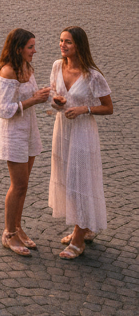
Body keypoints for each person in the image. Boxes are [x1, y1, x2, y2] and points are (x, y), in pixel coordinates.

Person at [48, 27, 113, 259]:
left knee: (81, 182)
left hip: (83, 133)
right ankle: (84, 226)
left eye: (68, 42)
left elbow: (108, 107)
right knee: (67, 180)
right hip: (62, 130)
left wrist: (84, 109)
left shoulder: (92, 75)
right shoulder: (57, 66)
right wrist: (56, 101)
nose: (62, 45)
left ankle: (78, 239)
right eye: (61, 40)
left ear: (79, 46)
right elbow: (53, 96)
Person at [0, 28, 49, 257]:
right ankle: (8, 234)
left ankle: (17, 227)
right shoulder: (8, 72)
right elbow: (3, 110)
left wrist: (46, 95)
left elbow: (32, 94)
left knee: (24, 185)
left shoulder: (27, 67)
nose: (34, 51)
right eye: (30, 47)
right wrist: (33, 100)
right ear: (18, 49)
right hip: (14, 133)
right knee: (17, 185)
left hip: (29, 130)